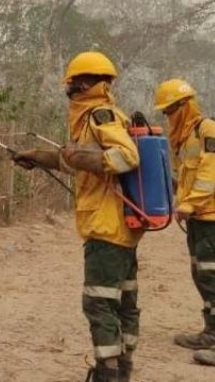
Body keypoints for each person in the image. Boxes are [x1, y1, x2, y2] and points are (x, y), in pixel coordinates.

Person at [13, 51, 142, 382]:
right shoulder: (98, 118)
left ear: (83, 84)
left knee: (99, 304)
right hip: (120, 227)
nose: (68, 90)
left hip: (106, 227)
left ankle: (107, 374)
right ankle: (123, 370)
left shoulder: (100, 116)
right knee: (123, 302)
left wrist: (80, 157)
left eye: (71, 84)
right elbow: (76, 159)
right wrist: (39, 157)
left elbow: (126, 157)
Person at [153, 78, 215, 368]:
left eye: (170, 110)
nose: (168, 116)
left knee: (211, 273)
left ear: (185, 104)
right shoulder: (185, 137)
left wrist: (190, 203)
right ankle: (211, 332)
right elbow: (185, 177)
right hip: (198, 218)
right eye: (165, 112)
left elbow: (212, 171)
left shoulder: (208, 129)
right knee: (199, 273)